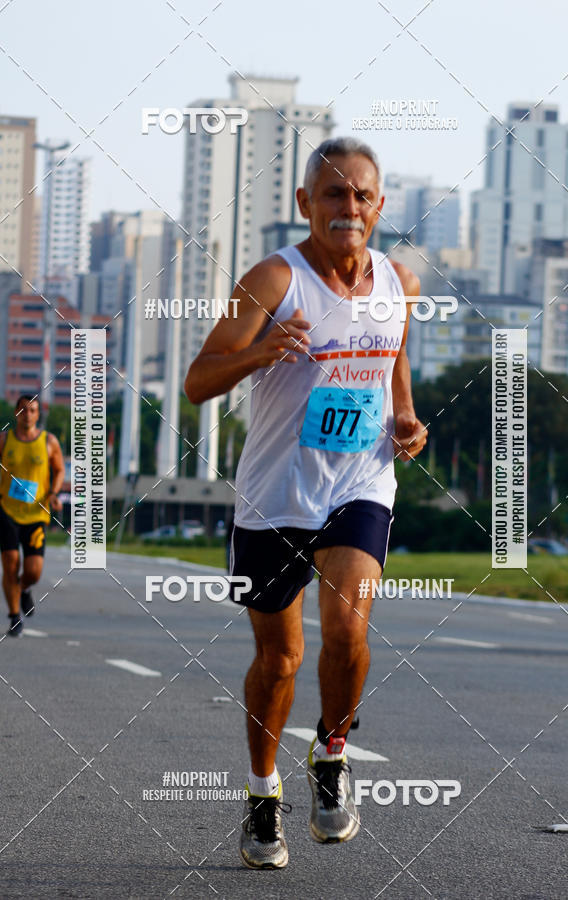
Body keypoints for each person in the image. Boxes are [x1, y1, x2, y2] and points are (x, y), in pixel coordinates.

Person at [184, 137, 427, 869]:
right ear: (304, 205)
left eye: (360, 194)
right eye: (332, 194)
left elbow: (394, 350)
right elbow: (199, 380)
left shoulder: (400, 282)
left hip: (360, 480)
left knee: (349, 624)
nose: (347, 207)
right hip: (275, 493)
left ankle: (331, 753)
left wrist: (407, 417)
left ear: (380, 206)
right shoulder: (273, 279)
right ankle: (263, 796)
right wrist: (259, 353)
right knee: (280, 657)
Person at [0, 395, 64, 637]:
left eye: (33, 410)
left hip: (37, 513)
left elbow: (58, 470)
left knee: (33, 570)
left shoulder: (49, 441)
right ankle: (14, 616)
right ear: (16, 412)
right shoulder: (5, 440)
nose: (28, 414)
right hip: (7, 510)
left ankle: (24, 589)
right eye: (23, 410)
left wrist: (55, 492)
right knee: (10, 562)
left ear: (38, 414)